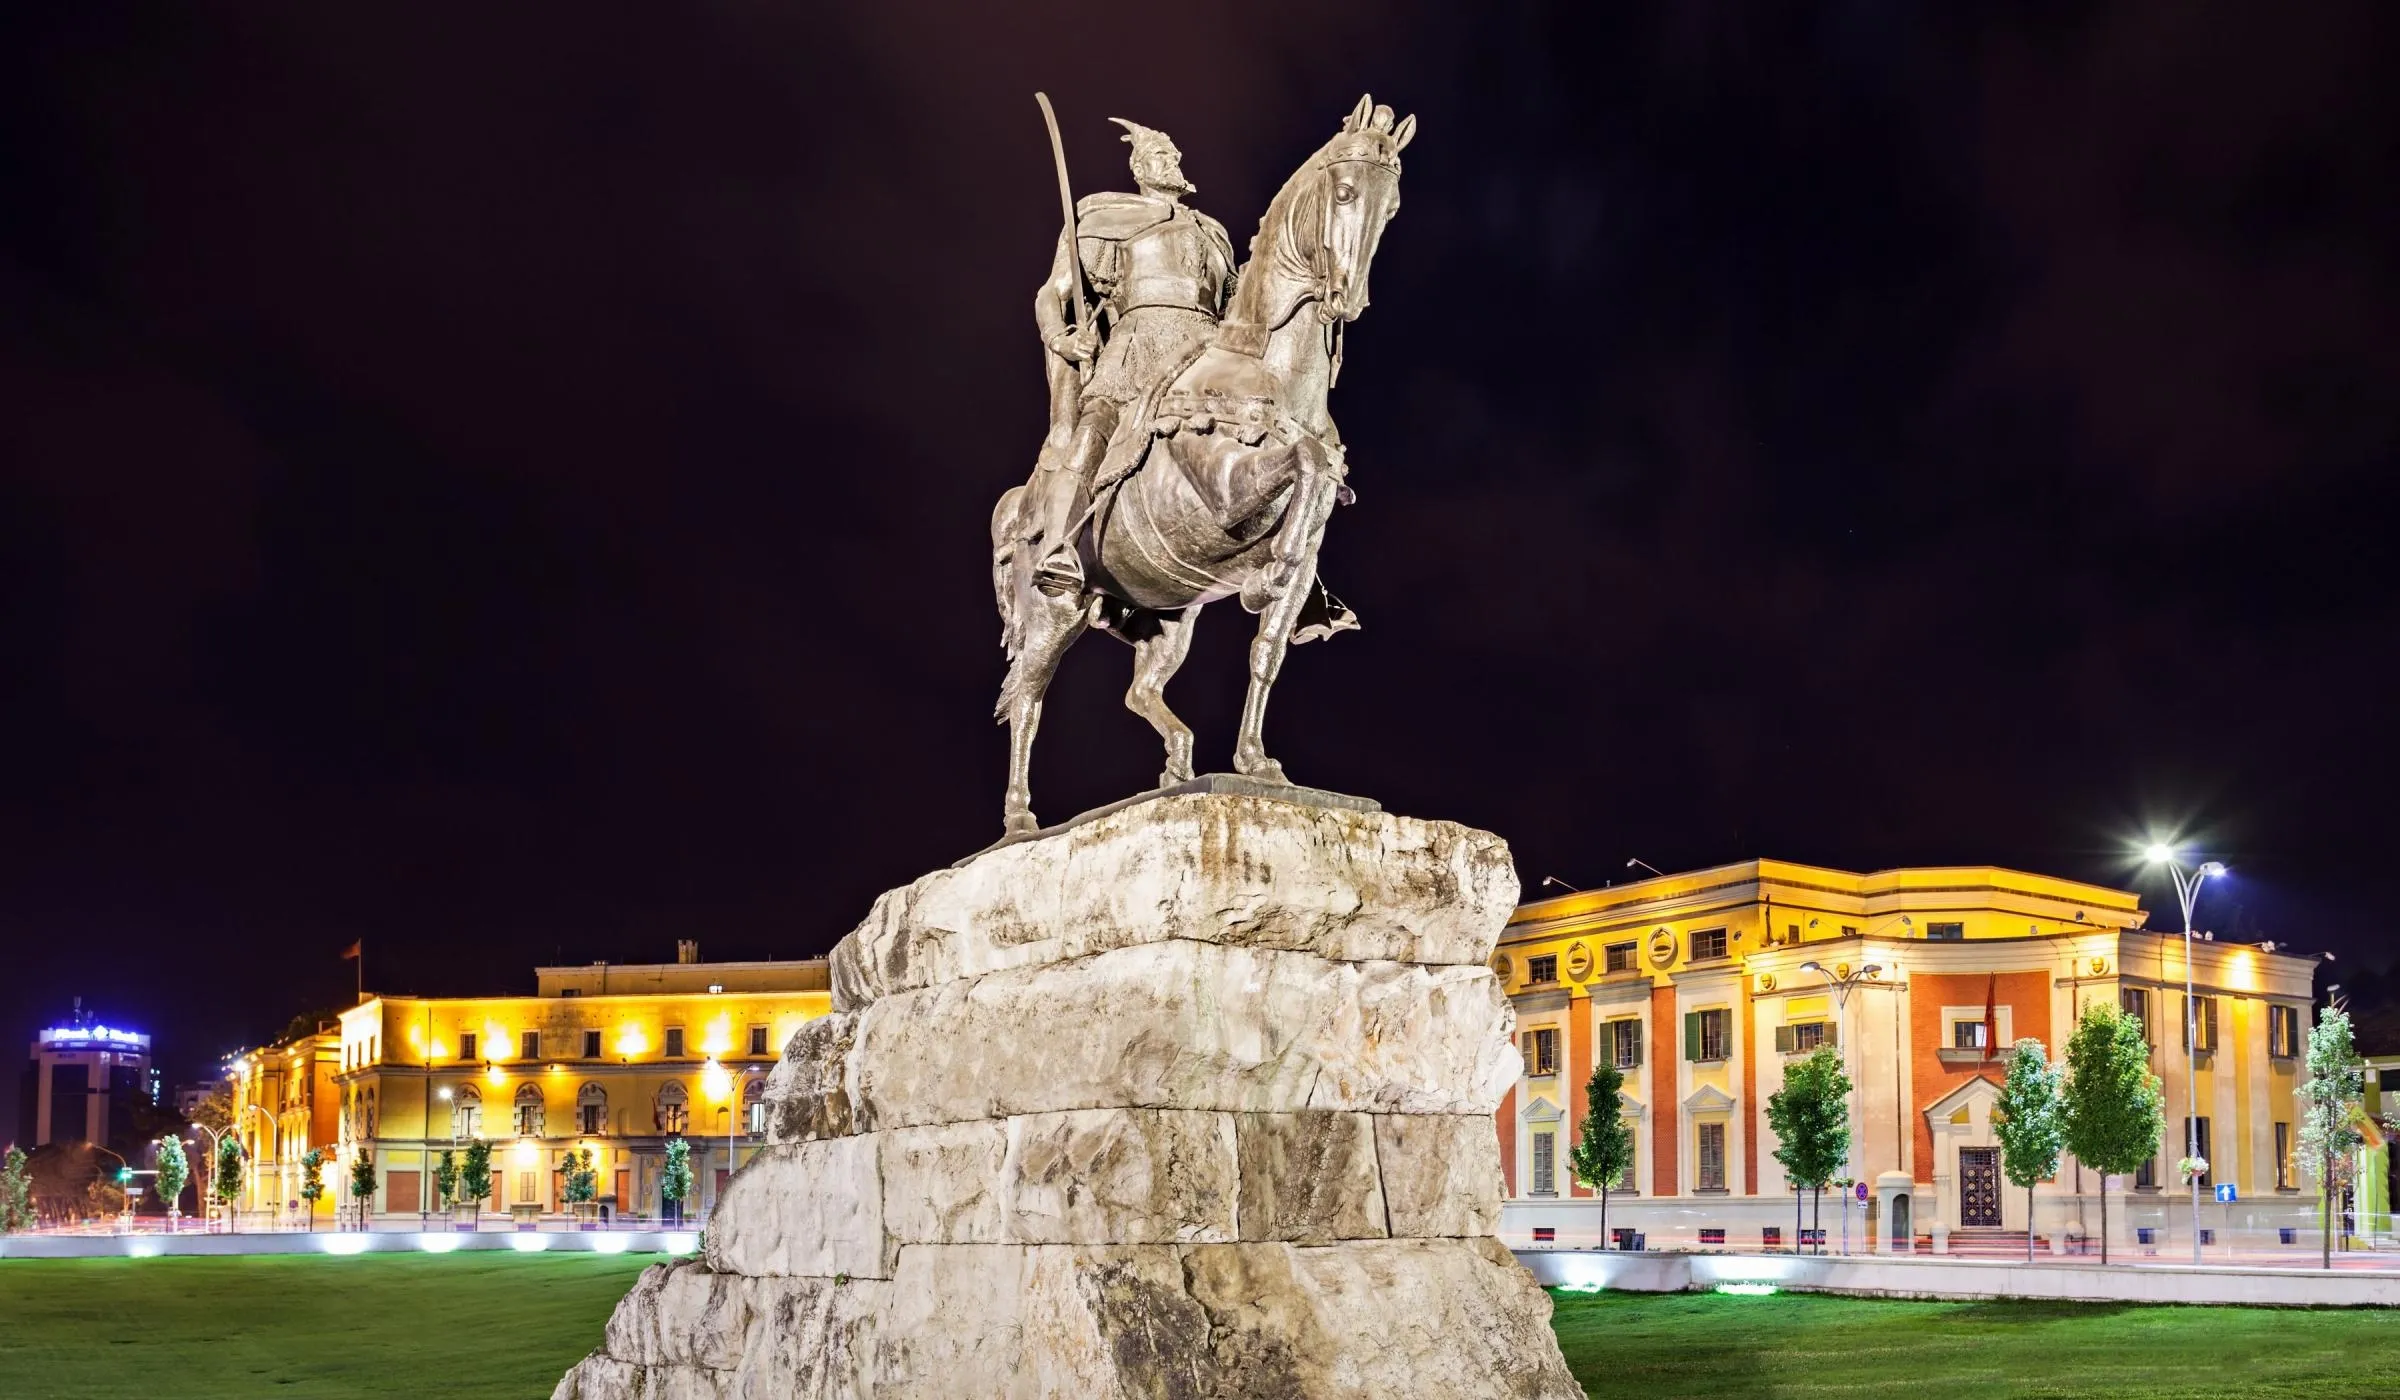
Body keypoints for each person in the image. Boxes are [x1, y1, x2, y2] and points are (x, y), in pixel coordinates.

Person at [1019, 118, 1237, 591]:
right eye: (1161, 155)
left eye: (1174, 154)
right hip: (1138, 345)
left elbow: (1234, 304)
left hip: (1206, 349)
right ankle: (1059, 546)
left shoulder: (1214, 234)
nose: (1173, 161)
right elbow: (1051, 294)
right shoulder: (1105, 219)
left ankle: (1296, 564)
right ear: (1139, 168)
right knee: (1093, 428)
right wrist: (1061, 339)